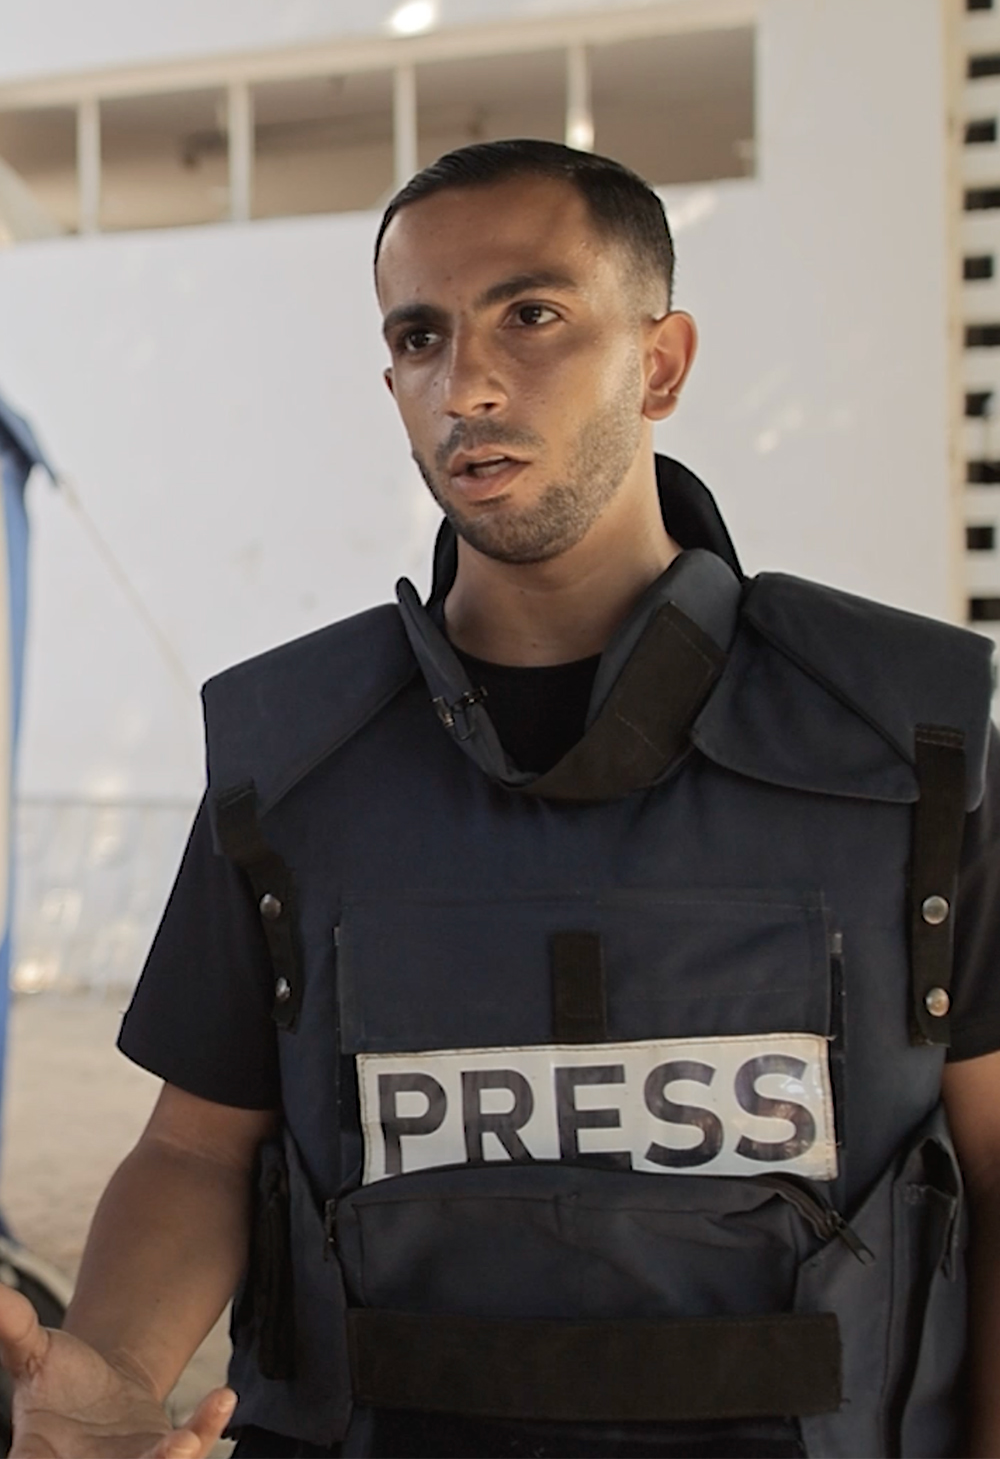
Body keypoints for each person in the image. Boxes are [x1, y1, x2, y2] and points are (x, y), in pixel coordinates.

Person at [1, 138, 999, 1459]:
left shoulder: (907, 744)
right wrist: (121, 1372)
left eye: (532, 315)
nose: (464, 384)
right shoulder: (295, 761)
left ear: (661, 363)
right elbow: (196, 1149)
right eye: (419, 336)